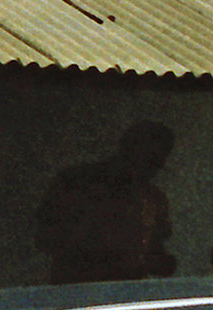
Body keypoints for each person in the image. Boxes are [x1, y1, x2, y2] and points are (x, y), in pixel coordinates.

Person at [35, 121, 177, 284]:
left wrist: (159, 263)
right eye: (147, 159)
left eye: (157, 163)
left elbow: (155, 249)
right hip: (75, 294)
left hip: (127, 297)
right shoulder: (75, 183)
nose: (151, 169)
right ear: (126, 149)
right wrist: (104, 255)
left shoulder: (153, 198)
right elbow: (45, 239)